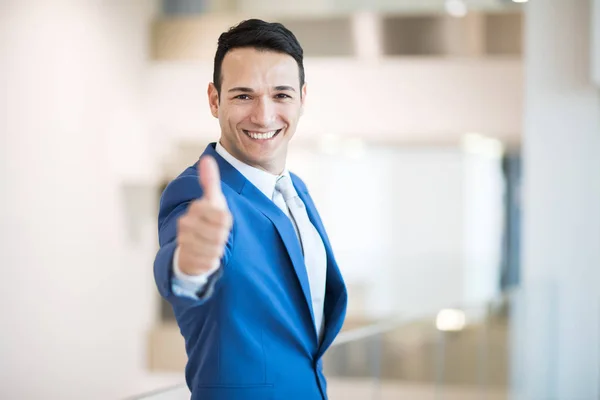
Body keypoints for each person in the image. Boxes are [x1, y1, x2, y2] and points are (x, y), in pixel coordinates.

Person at [153, 19, 347, 400]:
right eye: (243, 95)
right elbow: (184, 274)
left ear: (302, 98)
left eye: (281, 95)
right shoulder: (197, 192)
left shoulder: (296, 192)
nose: (263, 115)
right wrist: (190, 265)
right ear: (214, 99)